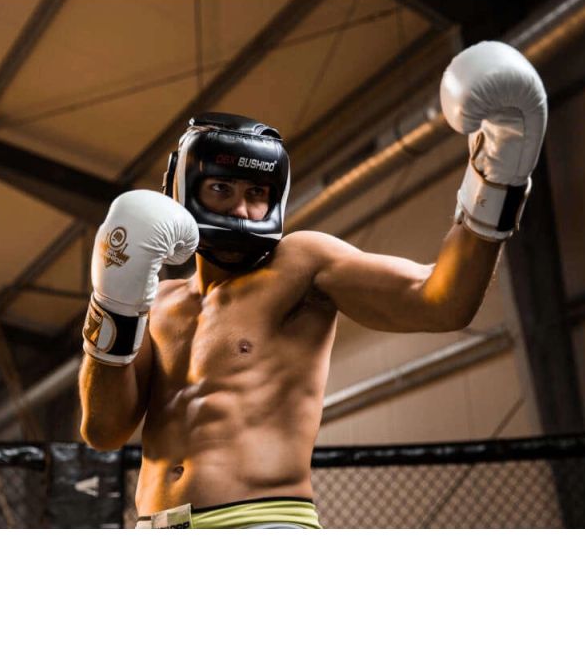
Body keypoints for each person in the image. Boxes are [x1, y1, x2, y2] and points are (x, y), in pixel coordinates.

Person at [78, 40, 548, 529]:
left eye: (256, 193)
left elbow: (441, 301)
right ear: (183, 191)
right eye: (221, 189)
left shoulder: (300, 263)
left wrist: (497, 180)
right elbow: (103, 431)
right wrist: (114, 305)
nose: (242, 209)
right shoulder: (161, 302)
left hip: (262, 524)